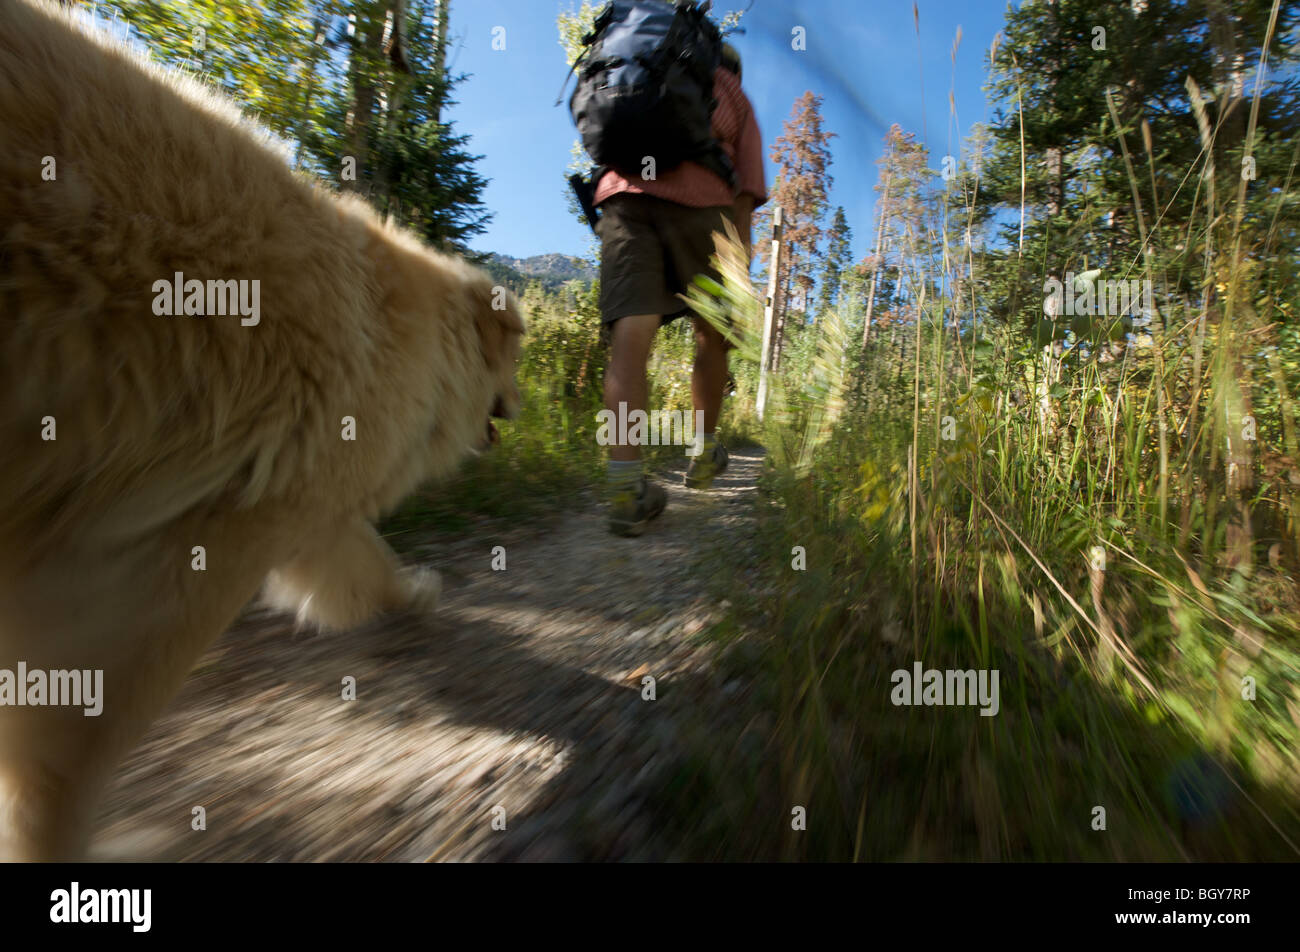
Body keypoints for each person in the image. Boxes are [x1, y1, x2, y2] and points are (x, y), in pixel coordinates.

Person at [595, 43, 767, 537]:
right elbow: (744, 198)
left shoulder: (635, 69)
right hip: (702, 206)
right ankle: (703, 450)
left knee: (630, 338)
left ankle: (625, 487)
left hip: (625, 198)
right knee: (712, 334)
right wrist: (739, 274)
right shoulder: (733, 93)